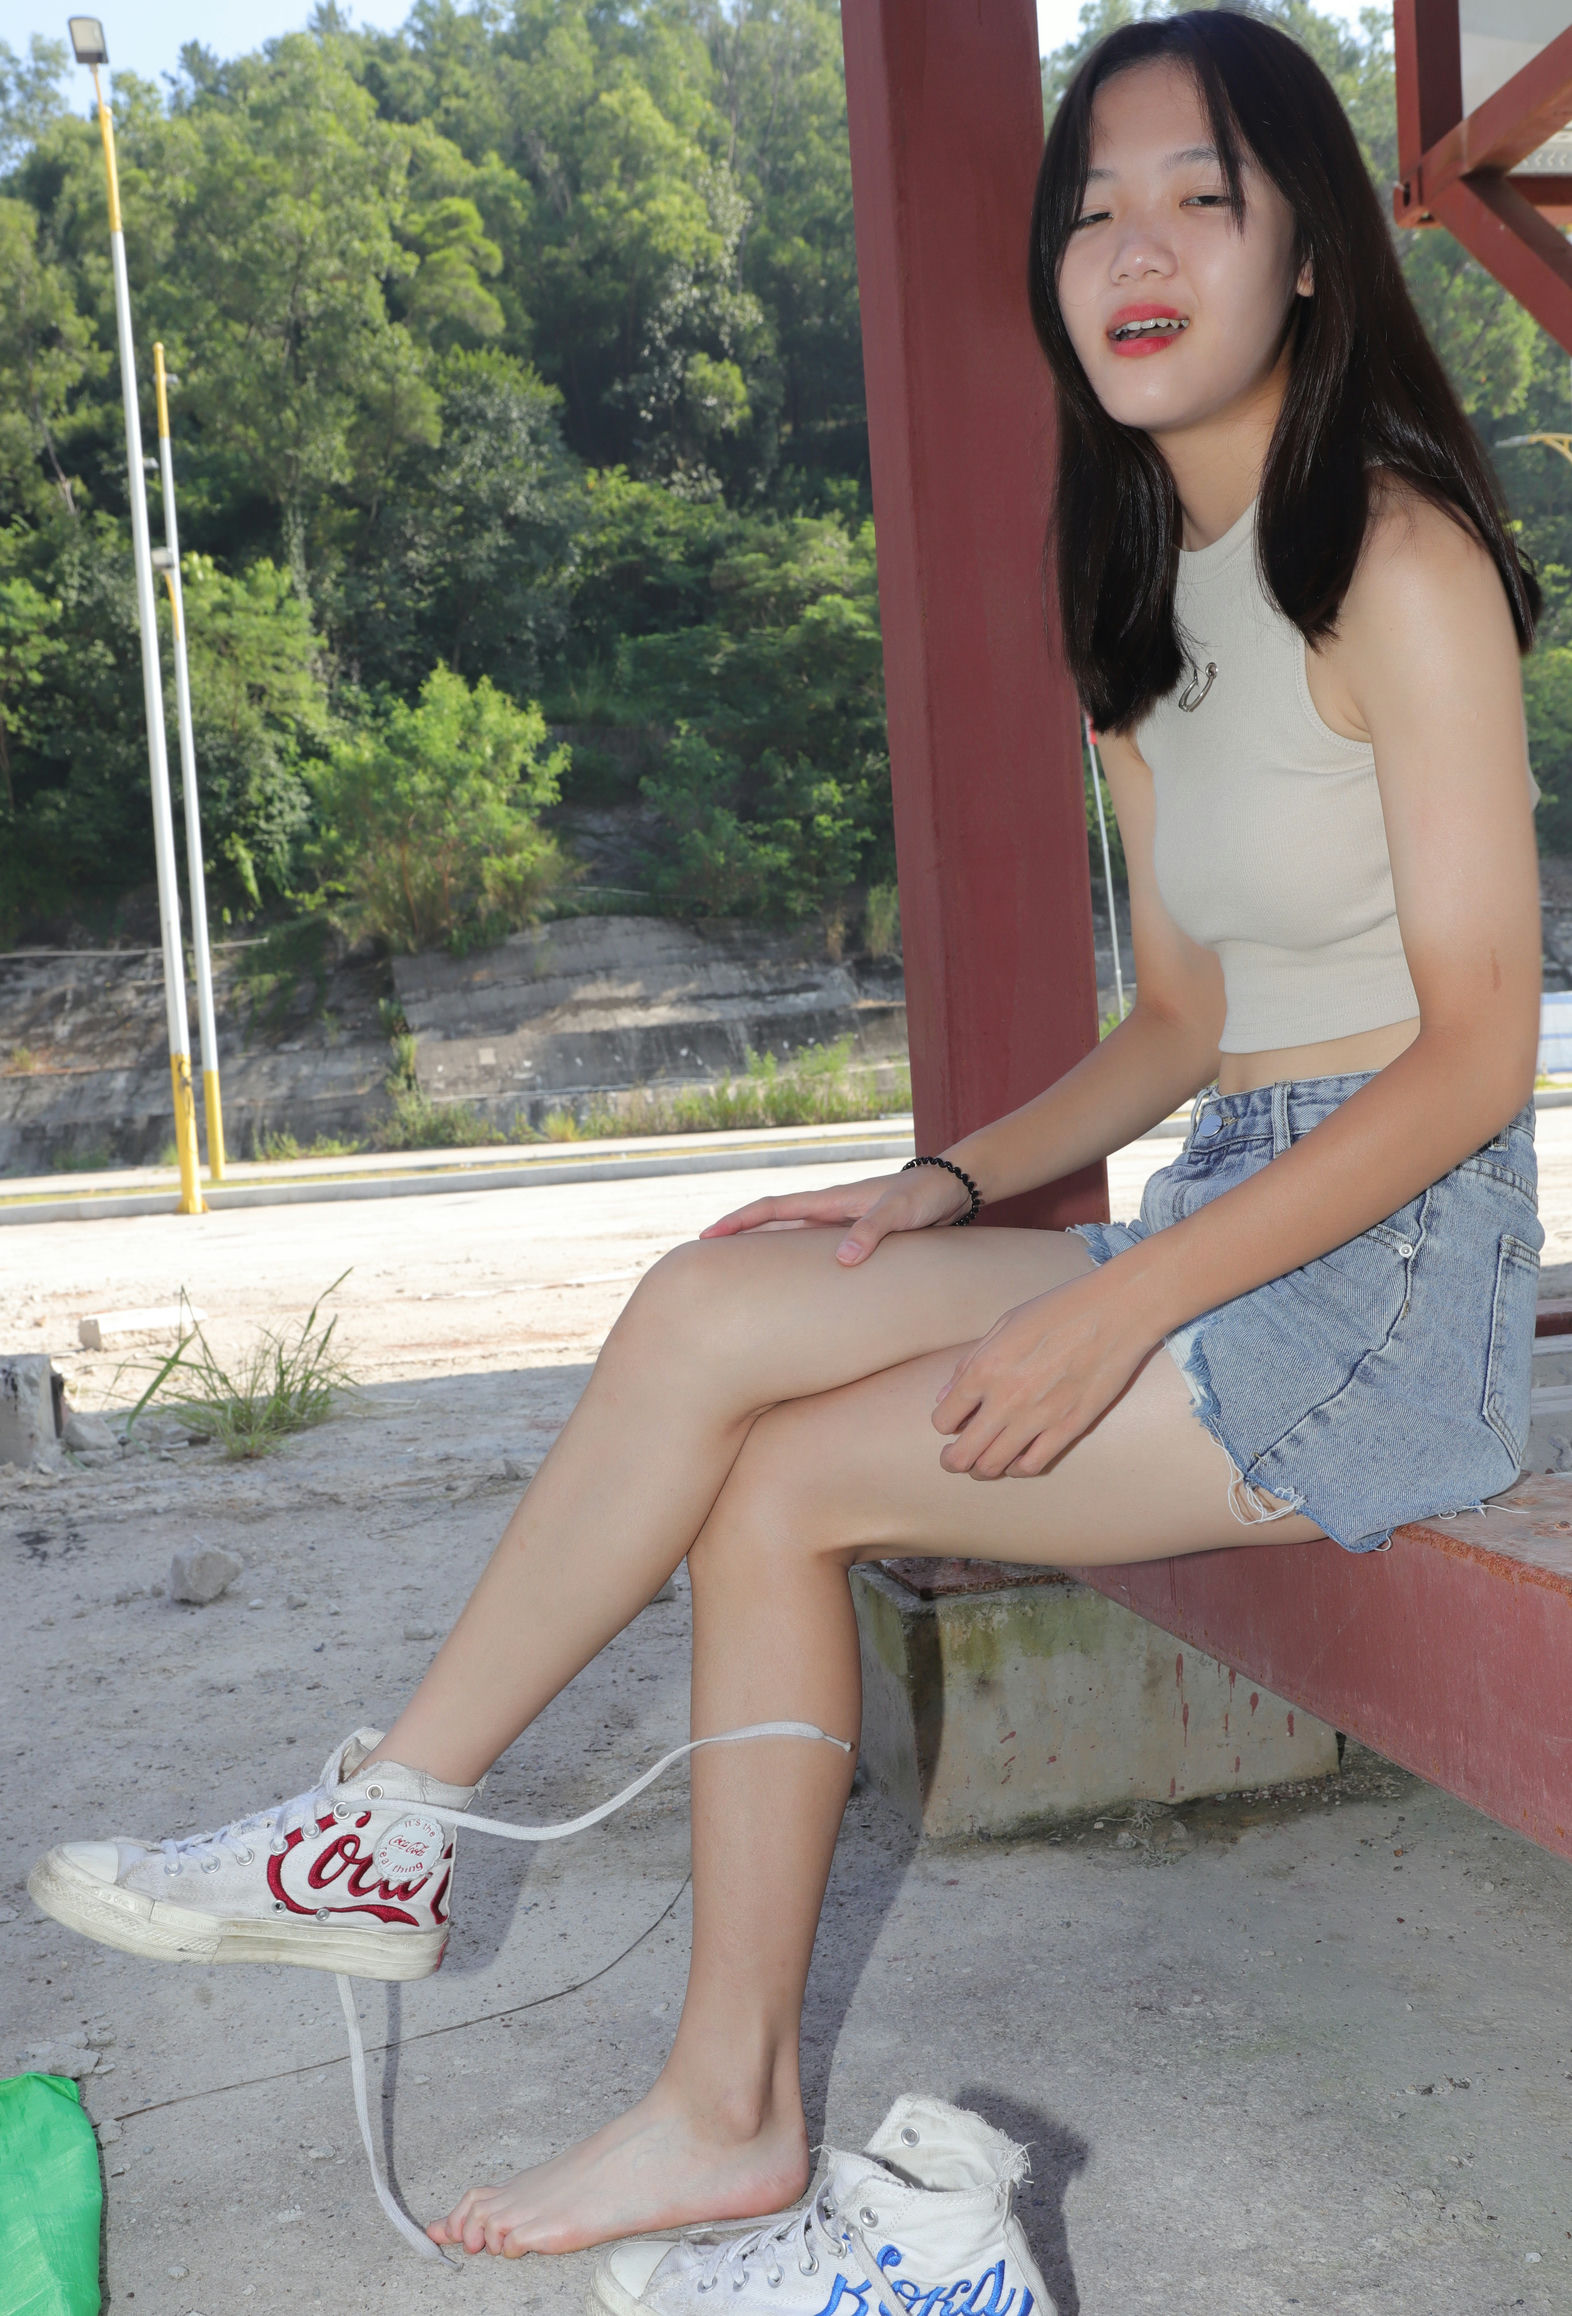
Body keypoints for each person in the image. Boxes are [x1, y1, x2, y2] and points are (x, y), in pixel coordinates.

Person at [28, 12, 1545, 2310]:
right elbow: (1183, 1024)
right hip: (1232, 1199)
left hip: (1386, 1279)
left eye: (1200, 201)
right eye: (1093, 210)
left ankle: (723, 2107)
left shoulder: (1397, 562)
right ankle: (394, 1828)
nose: (1134, 252)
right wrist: (941, 1191)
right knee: (720, 1302)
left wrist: (1119, 1309)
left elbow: (1473, 1057)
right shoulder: (1148, 589)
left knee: (787, 1487)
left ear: (1310, 254)